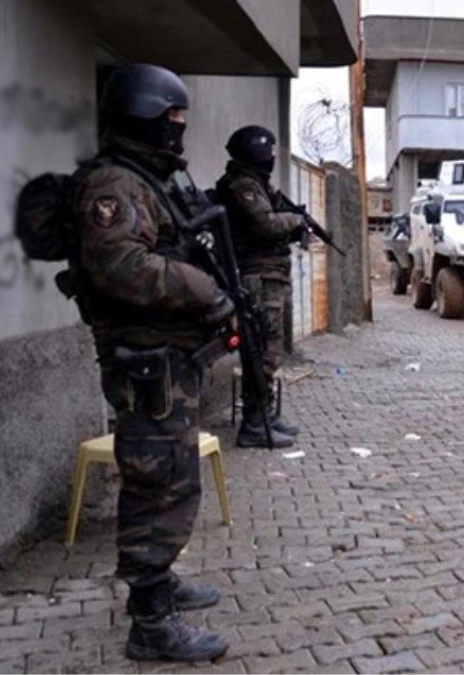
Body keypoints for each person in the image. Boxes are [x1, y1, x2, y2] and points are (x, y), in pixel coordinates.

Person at [72, 63, 230, 662]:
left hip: (166, 359)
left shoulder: (145, 178)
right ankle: (150, 623)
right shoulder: (113, 186)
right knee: (156, 483)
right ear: (144, 114)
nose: (179, 131)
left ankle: (160, 583)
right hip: (147, 365)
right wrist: (204, 291)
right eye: (172, 118)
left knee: (172, 477)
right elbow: (123, 267)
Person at [214, 125, 306, 448]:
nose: (270, 157)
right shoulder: (242, 185)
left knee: (270, 351)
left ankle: (265, 415)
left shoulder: (256, 183)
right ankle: (255, 424)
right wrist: (296, 221)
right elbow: (265, 224)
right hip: (259, 277)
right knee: (262, 352)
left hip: (270, 276)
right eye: (266, 151)